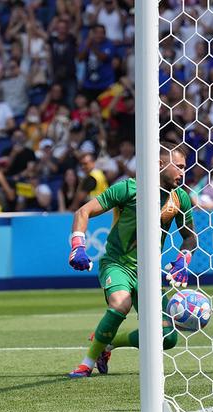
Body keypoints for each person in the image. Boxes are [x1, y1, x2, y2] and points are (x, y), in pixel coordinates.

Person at [66, 145, 196, 378]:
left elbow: (189, 237)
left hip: (148, 273)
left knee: (167, 338)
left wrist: (183, 259)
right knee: (120, 303)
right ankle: (87, 362)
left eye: (184, 168)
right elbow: (82, 212)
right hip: (117, 263)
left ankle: (109, 342)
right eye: (178, 166)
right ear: (158, 164)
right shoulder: (129, 188)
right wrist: (78, 245)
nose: (182, 172)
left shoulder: (180, 198)